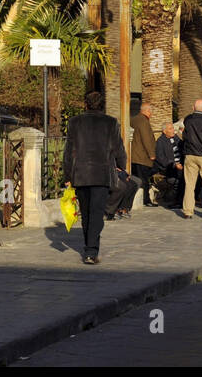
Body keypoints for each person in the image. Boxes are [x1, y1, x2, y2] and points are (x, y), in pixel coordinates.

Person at [62, 91, 126, 263]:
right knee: (97, 213)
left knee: (86, 212)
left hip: (81, 174)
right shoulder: (110, 123)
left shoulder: (75, 122)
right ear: (102, 104)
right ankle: (91, 251)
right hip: (101, 174)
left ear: (86, 104)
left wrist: (67, 174)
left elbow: (69, 151)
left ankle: (89, 247)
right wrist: (122, 167)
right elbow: (118, 148)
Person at [131, 101, 158, 207]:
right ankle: (146, 200)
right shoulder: (144, 121)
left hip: (134, 155)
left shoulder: (134, 119)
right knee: (144, 180)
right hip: (142, 156)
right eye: (151, 112)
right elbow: (146, 138)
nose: (151, 114)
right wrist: (151, 154)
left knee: (137, 178)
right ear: (147, 111)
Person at [154, 123, 184, 208]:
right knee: (179, 179)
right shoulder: (160, 141)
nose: (173, 131)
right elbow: (161, 158)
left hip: (179, 166)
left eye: (173, 128)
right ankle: (173, 200)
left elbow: (182, 148)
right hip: (168, 168)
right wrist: (174, 164)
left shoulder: (176, 138)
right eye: (170, 129)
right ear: (164, 131)